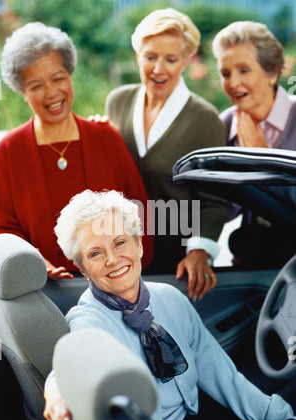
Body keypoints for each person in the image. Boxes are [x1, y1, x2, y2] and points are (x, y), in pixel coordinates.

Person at [44, 189, 296, 420]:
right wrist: (55, 391)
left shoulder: (170, 297)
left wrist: (281, 416)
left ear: (139, 245)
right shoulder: (90, 320)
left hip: (202, 414)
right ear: (83, 269)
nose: (112, 259)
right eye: (95, 253)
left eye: (120, 242)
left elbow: (222, 374)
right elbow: (71, 362)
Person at [0, 22, 153, 280]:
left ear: (70, 76)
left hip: (116, 283)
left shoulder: (105, 137)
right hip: (41, 289)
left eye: (58, 78)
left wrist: (123, 268)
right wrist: (36, 264)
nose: (51, 93)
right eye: (36, 86)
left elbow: (140, 211)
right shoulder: (9, 151)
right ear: (22, 92)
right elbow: (2, 229)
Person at [103, 8, 229, 301]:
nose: (158, 68)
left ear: (186, 60)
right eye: (150, 57)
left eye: (170, 59)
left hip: (174, 257)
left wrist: (199, 250)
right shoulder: (117, 102)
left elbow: (215, 202)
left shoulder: (204, 118)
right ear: (137, 56)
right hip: (120, 254)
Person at [212, 20, 296, 267]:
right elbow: (221, 209)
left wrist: (263, 160)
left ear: (271, 72)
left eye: (243, 70)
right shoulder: (226, 123)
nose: (233, 83)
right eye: (225, 74)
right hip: (250, 264)